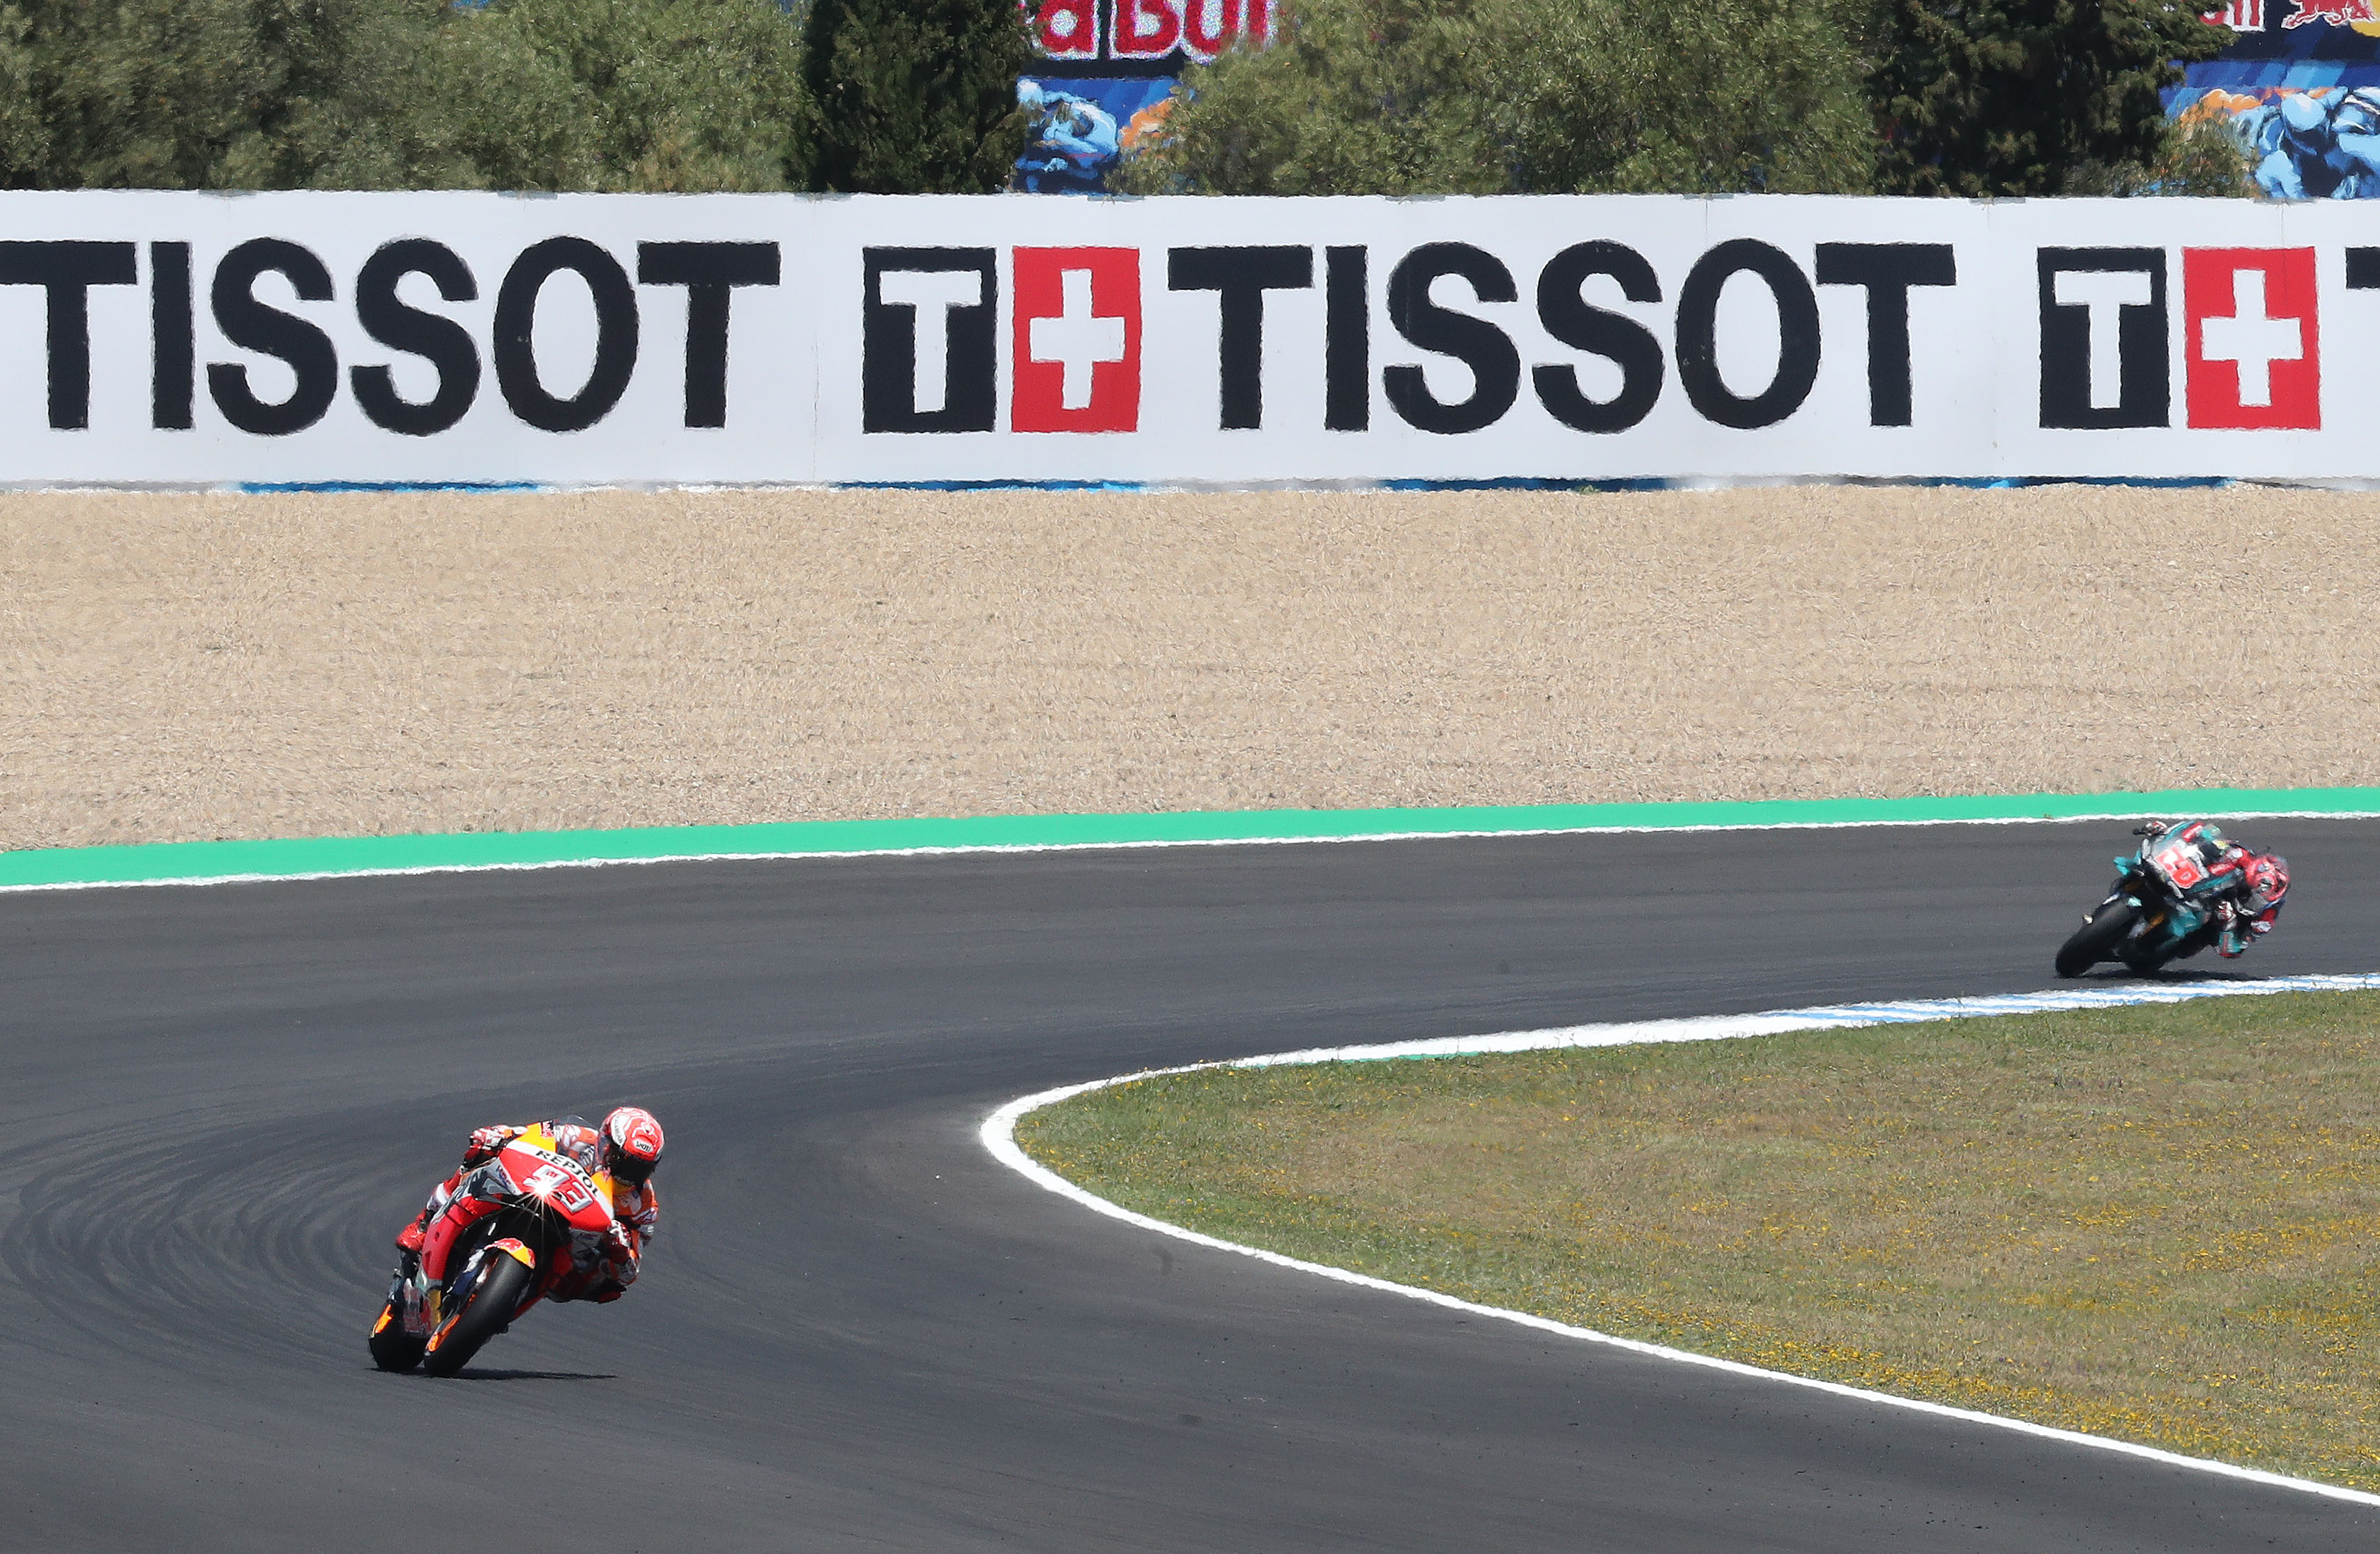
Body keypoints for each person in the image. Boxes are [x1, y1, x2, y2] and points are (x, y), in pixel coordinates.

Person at [395, 1106, 663, 1313]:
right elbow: (525, 1136)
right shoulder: (575, 1137)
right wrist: (497, 1135)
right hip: (536, 1194)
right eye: (623, 1160)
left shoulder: (644, 1204)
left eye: (640, 1168)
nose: (629, 1173)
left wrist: (619, 1247)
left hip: (572, 1249)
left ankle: (501, 1304)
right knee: (479, 1157)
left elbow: (630, 1271)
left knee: (609, 1287)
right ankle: (423, 1225)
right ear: (605, 1143)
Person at [2137, 819, 2289, 959]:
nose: (2250, 899)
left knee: (2190, 947)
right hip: (2193, 884)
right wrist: (2168, 834)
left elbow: (2234, 951)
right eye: (2248, 891)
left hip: (2213, 922)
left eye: (2257, 899)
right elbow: (2204, 833)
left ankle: (2161, 946)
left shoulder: (2266, 918)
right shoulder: (2240, 856)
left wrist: (2229, 924)